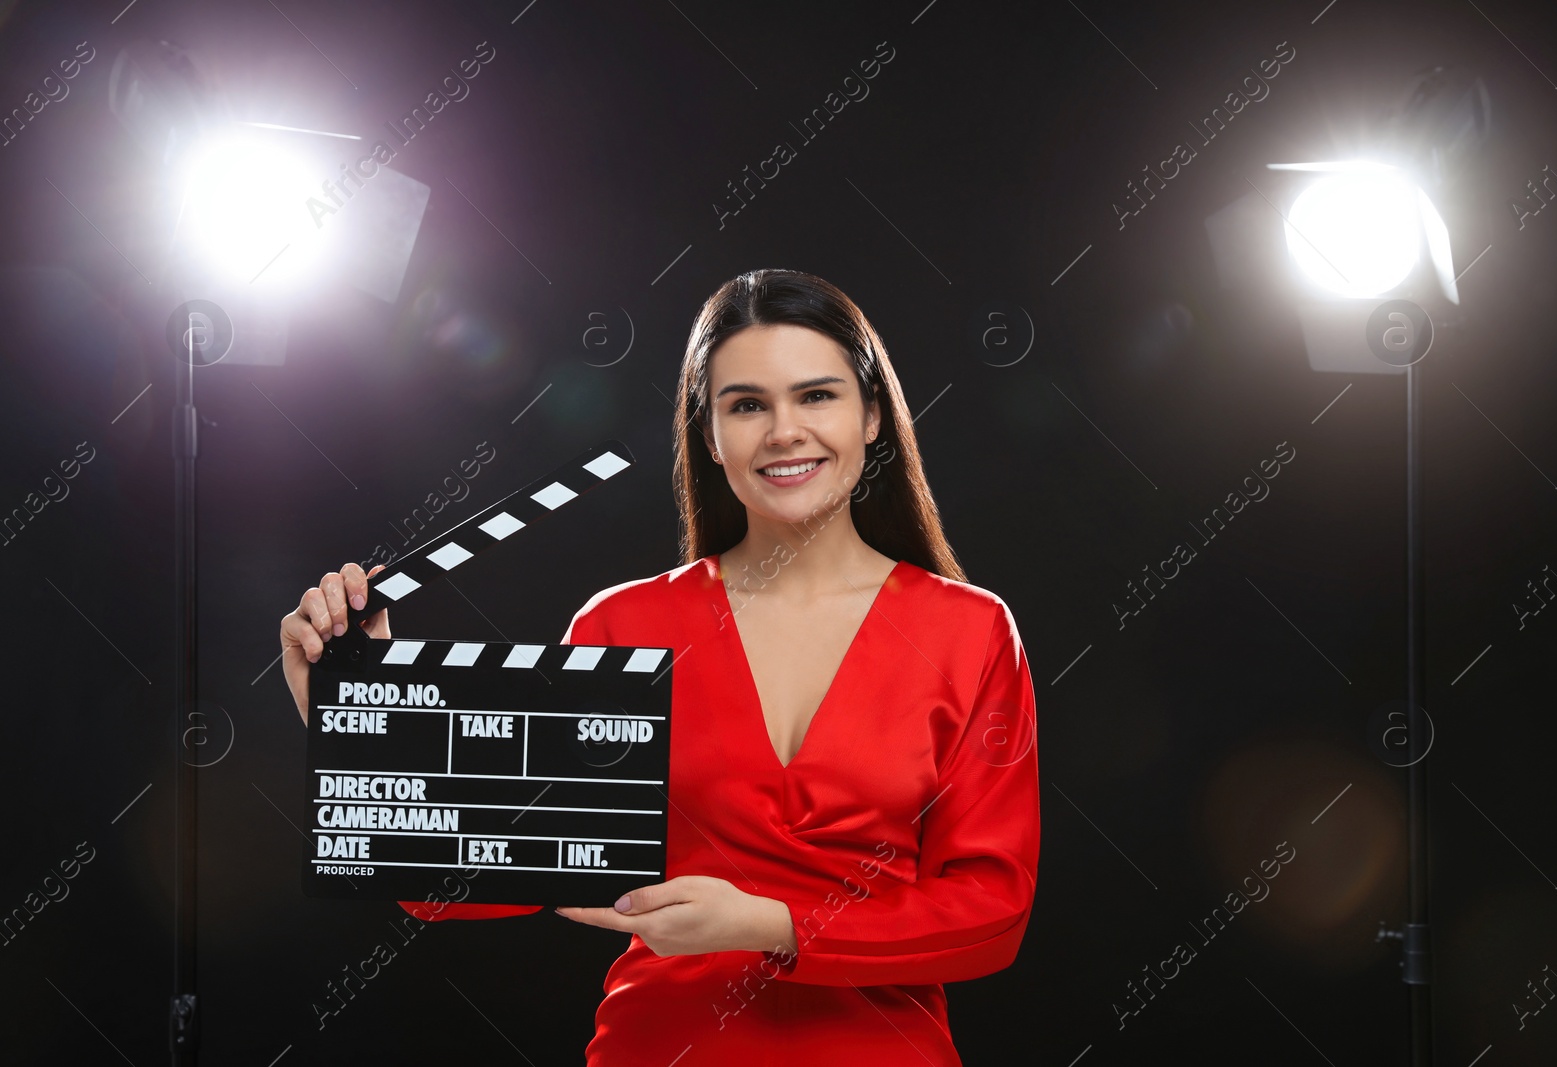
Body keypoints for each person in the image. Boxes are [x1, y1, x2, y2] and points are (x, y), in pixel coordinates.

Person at [280, 269, 1040, 1065]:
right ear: (709, 434)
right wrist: (353, 713)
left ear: (873, 414)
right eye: (747, 404)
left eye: (817, 396)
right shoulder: (625, 625)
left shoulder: (971, 631)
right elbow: (459, 882)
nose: (785, 431)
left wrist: (769, 924)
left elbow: (991, 911)